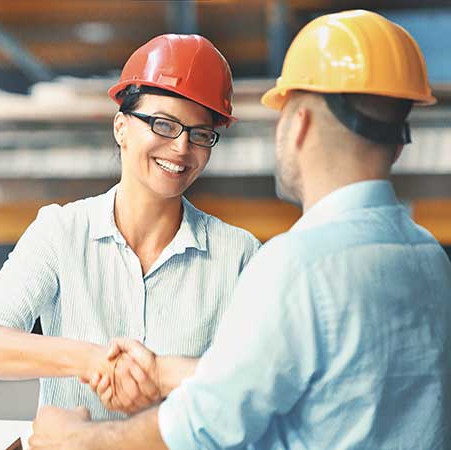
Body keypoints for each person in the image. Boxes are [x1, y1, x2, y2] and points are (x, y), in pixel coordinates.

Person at [29, 9, 451, 449]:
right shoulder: (430, 260)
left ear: (298, 124)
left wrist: (75, 438)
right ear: (398, 144)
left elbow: (202, 428)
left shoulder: (296, 266)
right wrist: (158, 370)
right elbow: (285, 372)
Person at [0, 34, 260, 420]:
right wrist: (93, 360)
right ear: (121, 127)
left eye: (200, 135)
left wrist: (160, 375)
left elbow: (253, 382)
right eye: (163, 125)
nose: (182, 148)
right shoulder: (61, 232)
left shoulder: (239, 255)